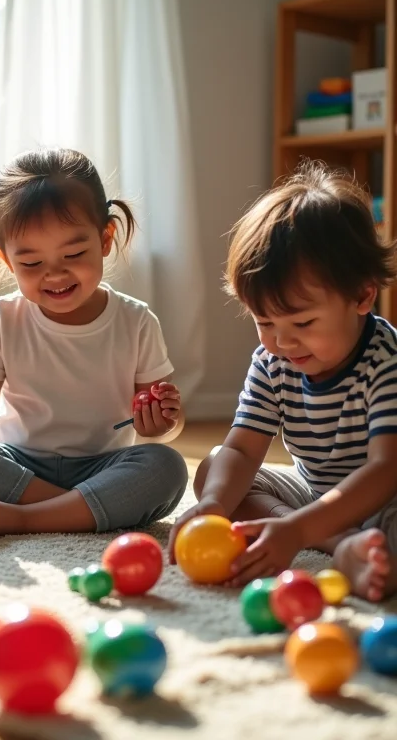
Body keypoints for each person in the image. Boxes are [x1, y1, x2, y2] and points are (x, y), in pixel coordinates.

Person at [0, 147, 188, 543]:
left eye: (74, 254)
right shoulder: (6, 317)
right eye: (31, 263)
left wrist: (163, 421)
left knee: (166, 466)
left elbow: (163, 427)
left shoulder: (136, 320)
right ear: (5, 259)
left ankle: (26, 518)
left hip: (101, 466)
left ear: (106, 237)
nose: (55, 274)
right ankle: (78, 511)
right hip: (18, 466)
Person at [169, 163, 397, 601]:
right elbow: (241, 448)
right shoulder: (274, 362)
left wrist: (296, 528)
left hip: (384, 497)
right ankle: (337, 543)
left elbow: (384, 470)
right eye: (264, 322)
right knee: (215, 469)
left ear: (362, 296)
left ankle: (344, 542)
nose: (282, 341)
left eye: (303, 322)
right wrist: (214, 505)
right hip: (313, 491)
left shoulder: (384, 361)